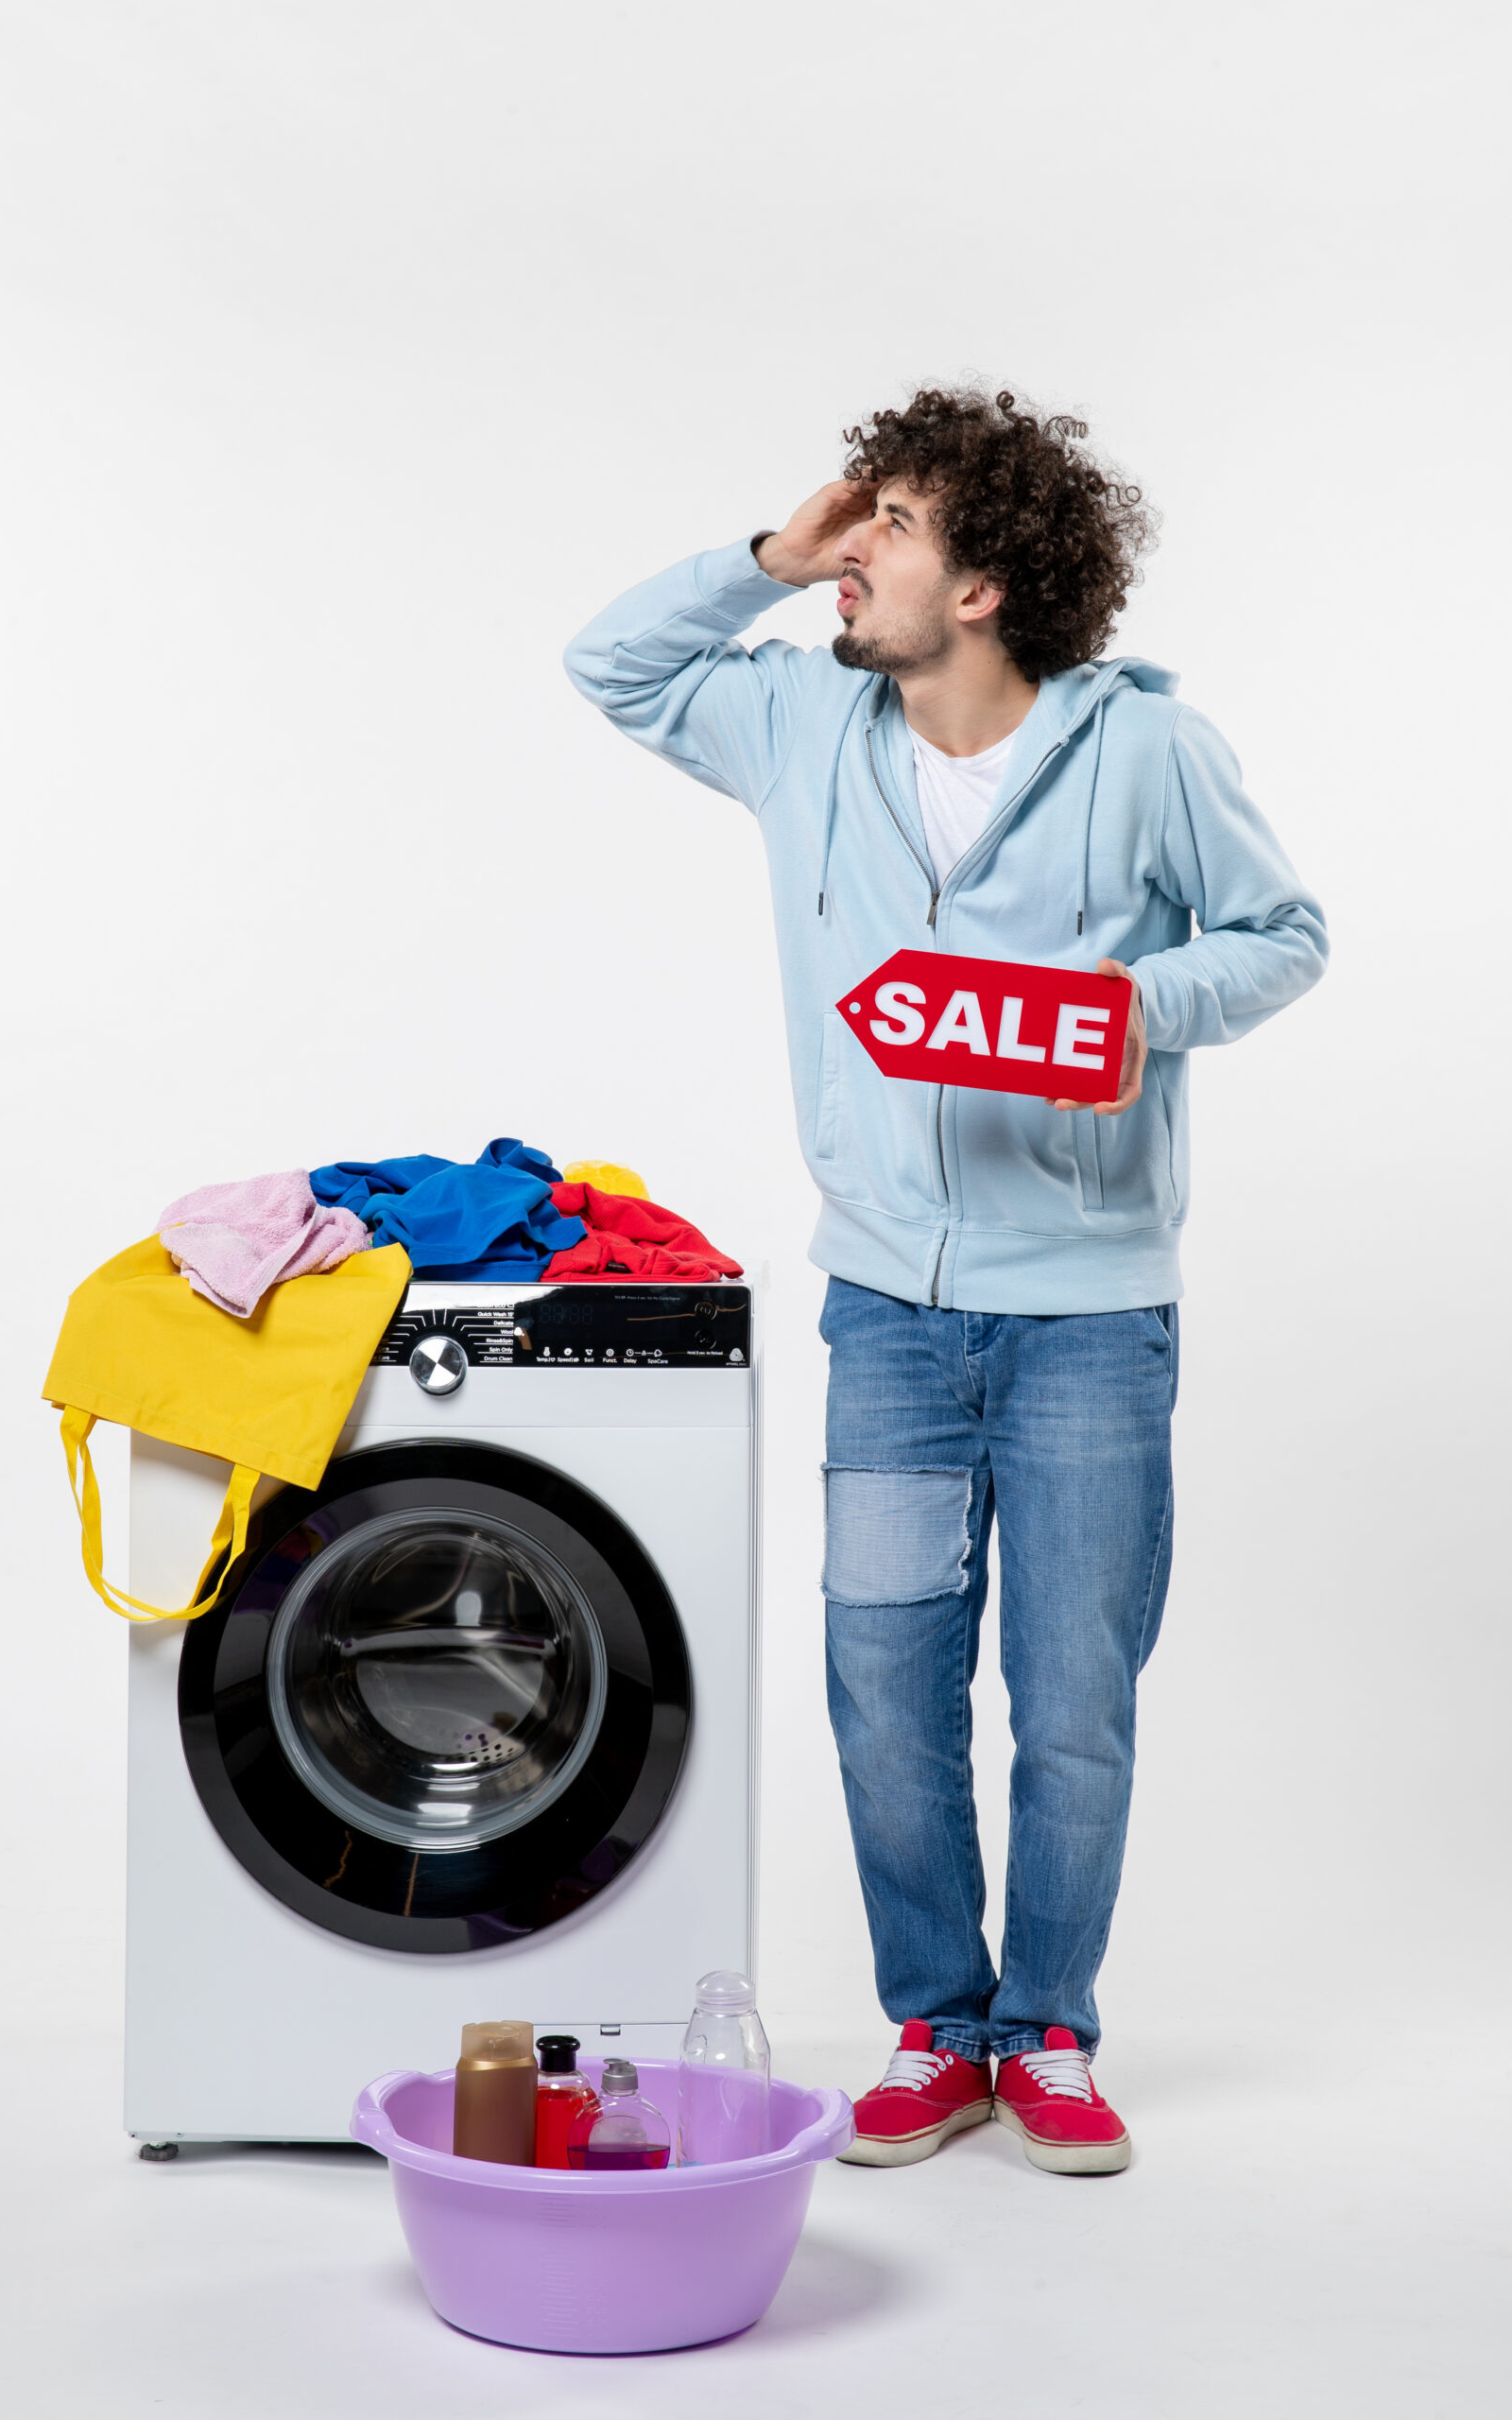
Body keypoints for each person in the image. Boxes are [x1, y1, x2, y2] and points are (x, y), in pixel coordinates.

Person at [565, 387, 1327, 2175]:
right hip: (888, 1310)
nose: (855, 553)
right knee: (887, 1682)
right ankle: (937, 2026)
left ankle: (1047, 2032)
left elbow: (1284, 936)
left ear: (983, 584)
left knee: (1072, 1694)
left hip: (1090, 1314)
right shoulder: (793, 720)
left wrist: (1143, 1010)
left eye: (892, 528)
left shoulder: (1146, 752)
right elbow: (608, 665)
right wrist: (779, 547)